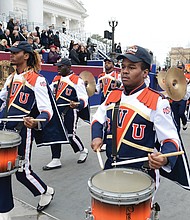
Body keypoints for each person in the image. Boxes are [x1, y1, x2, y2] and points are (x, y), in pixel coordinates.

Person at [91, 45, 182, 197]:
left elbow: (170, 140)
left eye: (132, 67)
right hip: (110, 166)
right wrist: (96, 136)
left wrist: (164, 158)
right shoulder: (112, 95)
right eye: (123, 66)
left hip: (142, 172)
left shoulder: (157, 101)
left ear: (145, 73)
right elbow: (98, 119)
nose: (124, 71)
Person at [0, 41, 55, 219]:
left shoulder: (37, 80)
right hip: (5, 132)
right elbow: (2, 101)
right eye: (11, 51)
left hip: (23, 130)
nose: (11, 54)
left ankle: (46, 191)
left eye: (15, 52)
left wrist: (37, 121)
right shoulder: (10, 78)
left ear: (25, 56)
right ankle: (4, 212)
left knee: (22, 172)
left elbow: (47, 110)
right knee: (2, 170)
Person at [43, 58, 89, 170]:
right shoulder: (56, 78)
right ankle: (55, 159)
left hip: (69, 110)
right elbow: (49, 91)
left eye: (60, 66)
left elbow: (84, 98)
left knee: (70, 135)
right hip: (56, 110)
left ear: (68, 67)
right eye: (57, 66)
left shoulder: (76, 80)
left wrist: (78, 104)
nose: (58, 68)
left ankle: (82, 150)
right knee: (55, 134)